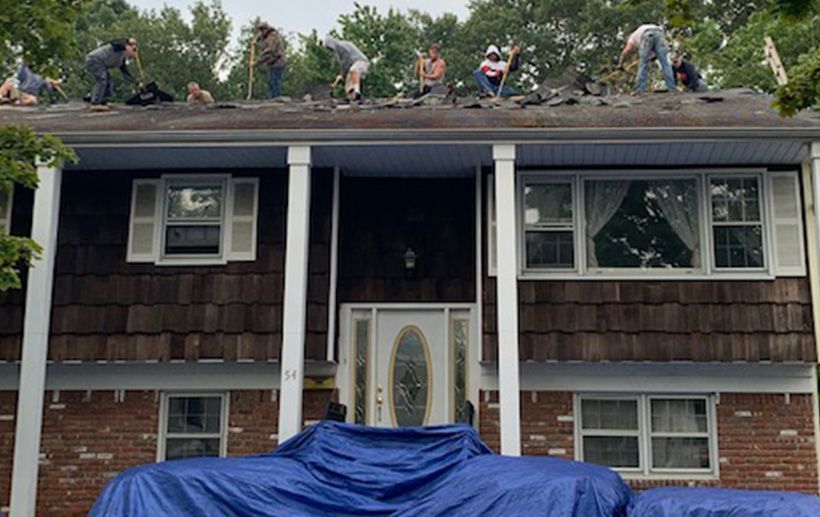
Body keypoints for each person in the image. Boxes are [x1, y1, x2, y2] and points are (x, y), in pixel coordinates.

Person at [85, 38, 141, 109]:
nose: (133, 54)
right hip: (94, 59)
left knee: (109, 80)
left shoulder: (122, 59)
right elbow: (114, 42)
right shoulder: (119, 47)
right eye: (134, 50)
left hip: (102, 64)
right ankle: (95, 103)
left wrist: (136, 82)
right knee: (102, 79)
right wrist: (127, 41)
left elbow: (125, 74)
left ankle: (103, 101)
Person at [618, 24, 676, 93]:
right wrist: (653, 57)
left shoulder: (632, 36)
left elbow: (627, 50)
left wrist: (620, 64)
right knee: (665, 63)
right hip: (660, 33)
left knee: (643, 63)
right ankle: (672, 88)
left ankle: (640, 89)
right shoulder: (643, 28)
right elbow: (653, 53)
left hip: (647, 34)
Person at [324, 36, 370, 101]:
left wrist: (342, 75)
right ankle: (352, 98)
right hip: (354, 64)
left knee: (353, 70)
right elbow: (344, 65)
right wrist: (340, 78)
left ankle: (357, 92)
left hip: (361, 62)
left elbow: (346, 62)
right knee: (348, 85)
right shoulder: (338, 51)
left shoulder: (341, 46)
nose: (330, 50)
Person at [256, 23, 287, 99]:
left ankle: (276, 98)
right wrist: (256, 40)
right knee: (271, 81)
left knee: (274, 81)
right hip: (274, 62)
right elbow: (259, 37)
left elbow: (269, 50)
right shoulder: (269, 36)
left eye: (263, 30)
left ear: (266, 29)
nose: (261, 32)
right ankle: (273, 97)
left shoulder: (272, 37)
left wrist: (259, 61)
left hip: (277, 62)